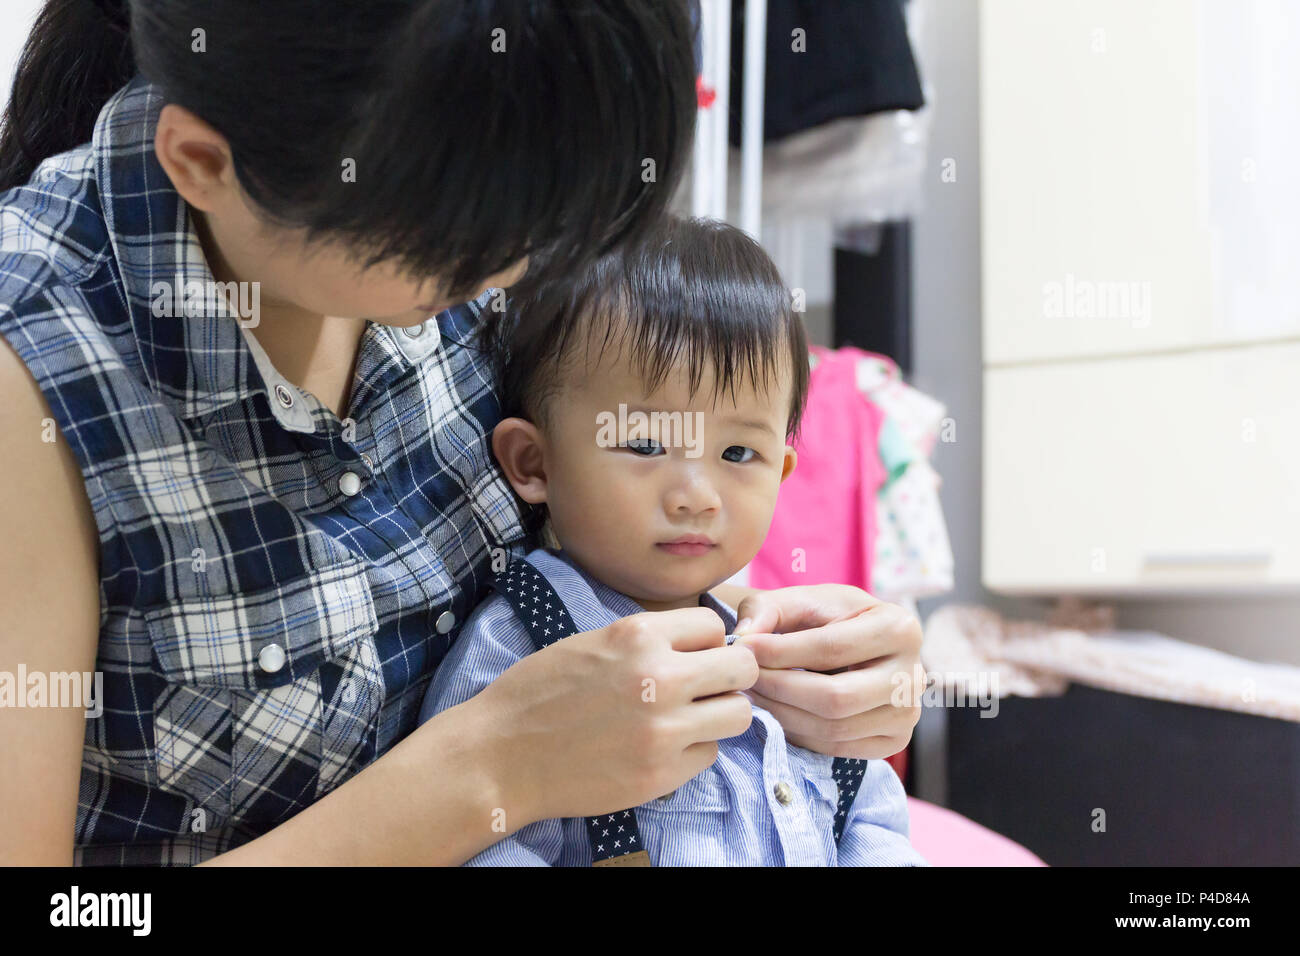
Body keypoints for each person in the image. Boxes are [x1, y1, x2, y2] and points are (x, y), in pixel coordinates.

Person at [0, 0, 923, 866]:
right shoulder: (37, 363)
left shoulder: (489, 168)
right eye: (456, 252)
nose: (515, 274)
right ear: (202, 162)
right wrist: (488, 769)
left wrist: (827, 673)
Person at [421, 215, 928, 865]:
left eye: (738, 451)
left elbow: (870, 810)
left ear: (781, 472)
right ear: (534, 463)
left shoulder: (787, 656)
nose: (696, 494)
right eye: (643, 443)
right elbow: (479, 840)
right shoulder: (524, 647)